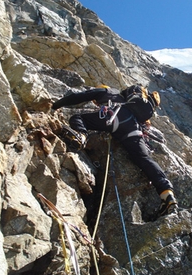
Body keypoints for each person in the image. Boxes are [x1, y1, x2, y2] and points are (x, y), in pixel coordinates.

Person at [51, 86, 178, 216]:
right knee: (144, 159)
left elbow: (78, 97)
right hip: (133, 130)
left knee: (77, 118)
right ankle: (166, 193)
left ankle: (81, 136)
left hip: (114, 117)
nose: (96, 104)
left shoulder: (107, 91)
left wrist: (55, 105)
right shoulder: (136, 106)